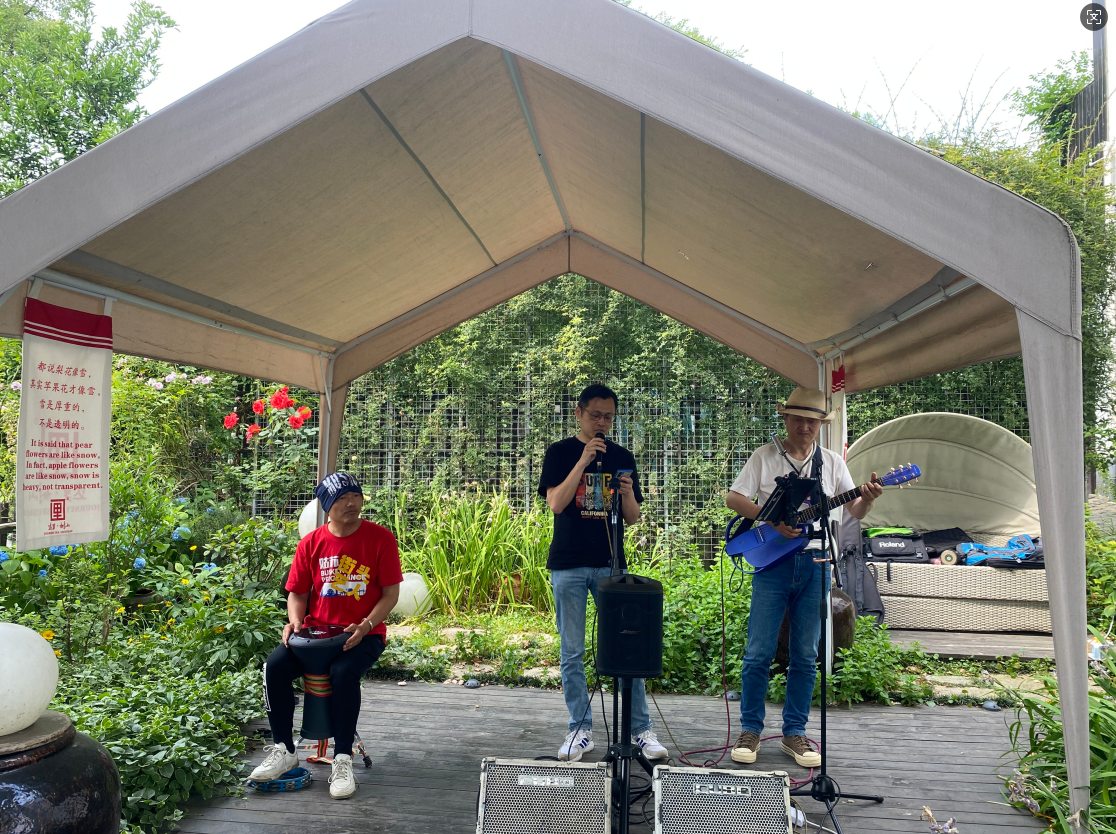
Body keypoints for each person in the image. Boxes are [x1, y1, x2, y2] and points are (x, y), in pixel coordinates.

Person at [726, 388, 882, 768]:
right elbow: (734, 499)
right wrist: (770, 517)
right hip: (773, 564)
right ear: (786, 419)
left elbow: (855, 510)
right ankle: (750, 730)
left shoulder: (831, 462)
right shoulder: (764, 456)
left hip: (817, 563)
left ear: (820, 425)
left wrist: (868, 496)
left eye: (812, 421)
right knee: (759, 651)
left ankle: (794, 732)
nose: (805, 426)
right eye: (798, 419)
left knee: (806, 654)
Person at [248, 472, 403, 799]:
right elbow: (297, 594)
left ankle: (342, 758)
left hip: (364, 634)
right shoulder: (311, 543)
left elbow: (390, 594)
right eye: (342, 498)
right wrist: (294, 622)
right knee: (275, 666)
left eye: (355, 496)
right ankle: (284, 750)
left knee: (343, 672)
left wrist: (365, 625)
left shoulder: (380, 539)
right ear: (326, 506)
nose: (351, 503)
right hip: (315, 635)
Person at [537, 383, 668, 763]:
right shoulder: (560, 453)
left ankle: (640, 730)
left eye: (608, 417)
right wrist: (582, 462)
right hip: (569, 564)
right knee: (572, 651)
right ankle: (579, 729)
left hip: (611, 565)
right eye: (595, 415)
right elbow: (556, 503)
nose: (602, 423)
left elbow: (633, 517)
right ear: (578, 413)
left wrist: (626, 493)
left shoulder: (622, 456)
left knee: (628, 647)